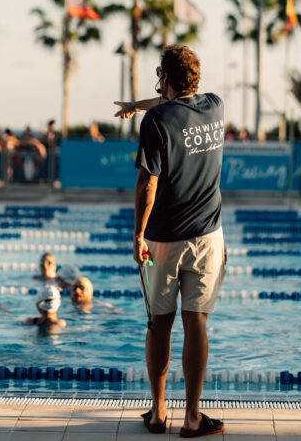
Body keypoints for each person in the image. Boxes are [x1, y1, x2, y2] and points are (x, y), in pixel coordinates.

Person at [114, 44, 225, 438]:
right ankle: (193, 417)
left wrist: (137, 233)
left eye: (159, 73)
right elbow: (173, 106)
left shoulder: (156, 123)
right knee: (197, 321)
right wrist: (137, 104)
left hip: (164, 240)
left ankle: (159, 413)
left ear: (167, 78)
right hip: (208, 236)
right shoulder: (216, 106)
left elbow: (148, 182)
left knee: (159, 324)